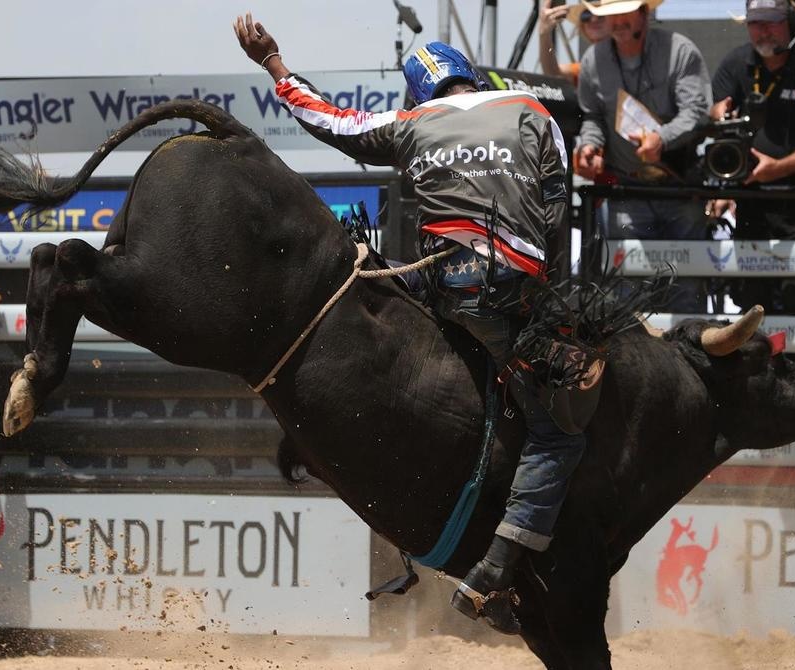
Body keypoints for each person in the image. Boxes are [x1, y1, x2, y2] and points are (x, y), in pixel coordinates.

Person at [234, 14, 588, 635]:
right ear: (473, 78)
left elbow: (329, 121)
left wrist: (274, 64)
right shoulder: (535, 111)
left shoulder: (410, 124)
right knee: (558, 431)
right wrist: (548, 298)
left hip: (443, 282)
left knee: (375, 283)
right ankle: (496, 570)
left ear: (422, 95)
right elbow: (559, 208)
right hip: (509, 291)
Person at [573, 0, 711, 313]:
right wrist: (591, 146)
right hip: (627, 188)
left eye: (625, 11)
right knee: (627, 291)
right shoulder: (593, 60)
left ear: (644, 12)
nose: (617, 20)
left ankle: (689, 359)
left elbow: (697, 112)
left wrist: (661, 138)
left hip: (680, 186)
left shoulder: (679, 50)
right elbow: (592, 116)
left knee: (686, 289)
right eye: (610, 14)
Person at [709, 0, 795, 315]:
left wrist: (780, 168)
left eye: (772, 21)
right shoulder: (735, 62)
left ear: (794, 23)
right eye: (755, 22)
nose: (763, 31)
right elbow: (714, 121)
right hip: (750, 201)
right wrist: (717, 115)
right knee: (752, 297)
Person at [537, 1, 611, 83]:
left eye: (601, 14)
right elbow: (553, 74)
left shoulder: (626, 59)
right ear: (582, 26)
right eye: (586, 15)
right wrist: (544, 34)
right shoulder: (589, 68)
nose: (593, 19)